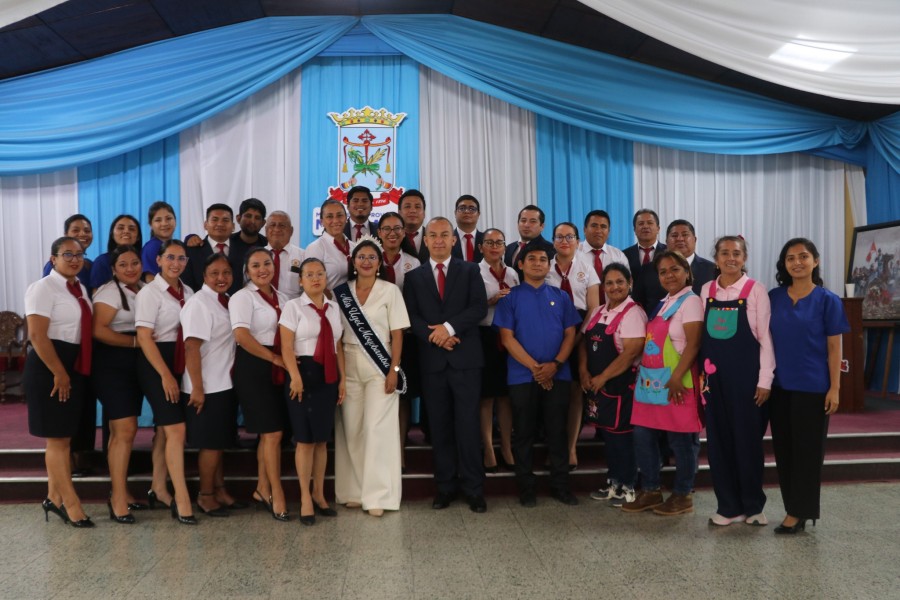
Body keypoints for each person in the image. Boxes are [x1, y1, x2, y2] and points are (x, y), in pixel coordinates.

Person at [404, 217, 488, 513]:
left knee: (467, 425)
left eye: (444, 235)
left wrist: (448, 329)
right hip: (433, 362)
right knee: (439, 428)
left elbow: (478, 307)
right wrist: (434, 336)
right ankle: (445, 487)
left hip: (466, 360)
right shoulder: (414, 277)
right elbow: (411, 317)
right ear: (424, 241)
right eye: (432, 235)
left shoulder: (470, 270)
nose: (438, 240)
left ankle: (474, 489)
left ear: (454, 240)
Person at [768, 238, 849, 534]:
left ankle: (799, 512)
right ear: (784, 265)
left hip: (813, 387)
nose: (797, 262)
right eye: (790, 258)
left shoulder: (828, 300)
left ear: (815, 261)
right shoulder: (773, 297)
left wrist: (835, 388)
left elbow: (834, 349)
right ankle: (794, 507)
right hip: (779, 387)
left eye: (803, 257)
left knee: (808, 452)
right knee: (784, 450)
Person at [493, 243, 582, 508]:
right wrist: (537, 369)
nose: (537, 263)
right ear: (520, 265)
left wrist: (554, 365)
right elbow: (507, 339)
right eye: (531, 259)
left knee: (557, 431)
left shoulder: (561, 295)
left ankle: (561, 486)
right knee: (523, 434)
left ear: (549, 265)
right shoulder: (509, 298)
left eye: (543, 259)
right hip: (523, 377)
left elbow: (571, 334)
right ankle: (526, 488)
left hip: (559, 374)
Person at [700, 236, 775, 527]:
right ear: (716, 258)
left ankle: (753, 506)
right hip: (714, 381)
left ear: (744, 258)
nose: (731, 258)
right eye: (724, 253)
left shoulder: (755, 290)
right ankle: (728, 507)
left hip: (747, 380)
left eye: (736, 253)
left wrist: (765, 380)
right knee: (718, 443)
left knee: (747, 443)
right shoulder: (706, 289)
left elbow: (765, 338)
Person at [622, 250, 703, 516]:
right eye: (663, 271)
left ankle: (682, 495)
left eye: (675, 269)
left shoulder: (690, 301)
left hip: (677, 382)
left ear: (687, 273)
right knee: (643, 436)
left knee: (681, 441)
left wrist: (677, 376)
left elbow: (694, 343)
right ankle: (651, 490)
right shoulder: (663, 303)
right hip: (651, 383)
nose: (669, 275)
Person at [334, 240, 410, 517]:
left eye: (372, 257)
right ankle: (353, 490)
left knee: (378, 430)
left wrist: (394, 370)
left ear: (380, 263)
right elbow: (337, 335)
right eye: (361, 256)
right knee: (352, 428)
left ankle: (379, 496)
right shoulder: (340, 293)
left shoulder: (390, 291)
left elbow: (398, 333)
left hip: (381, 366)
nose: (366, 261)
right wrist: (341, 376)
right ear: (353, 261)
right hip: (348, 363)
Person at [26, 237, 95, 527]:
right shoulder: (43, 288)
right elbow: (37, 336)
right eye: (68, 254)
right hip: (50, 366)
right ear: (53, 259)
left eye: (79, 254)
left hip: (73, 364)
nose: (75, 258)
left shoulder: (79, 288)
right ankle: (71, 503)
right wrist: (59, 372)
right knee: (57, 440)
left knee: (64, 437)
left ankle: (53, 498)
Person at [280, 258, 346, 525]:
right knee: (305, 440)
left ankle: (319, 494)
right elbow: (286, 347)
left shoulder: (333, 308)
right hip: (302, 375)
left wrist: (342, 380)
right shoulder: (293, 307)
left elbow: (337, 346)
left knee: (321, 439)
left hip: (328, 376)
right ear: (301, 280)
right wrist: (294, 376)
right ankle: (305, 497)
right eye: (310, 274)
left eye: (320, 273)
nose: (316, 278)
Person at [135, 239, 196, 524]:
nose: (176, 263)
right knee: (176, 429)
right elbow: (144, 337)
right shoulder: (150, 293)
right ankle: (181, 498)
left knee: (164, 430)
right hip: (156, 363)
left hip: (180, 359)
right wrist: (165, 375)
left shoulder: (190, 292)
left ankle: (158, 487)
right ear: (158, 260)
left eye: (181, 258)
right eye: (170, 257)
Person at [230, 248, 290, 521]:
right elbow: (242, 336)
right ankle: (275, 493)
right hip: (255, 366)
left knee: (272, 434)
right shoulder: (243, 297)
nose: (262, 269)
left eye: (267, 263)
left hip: (279, 365)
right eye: (255, 265)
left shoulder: (283, 298)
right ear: (247, 270)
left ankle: (262, 488)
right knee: (272, 433)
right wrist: (274, 358)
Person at [181, 253, 243, 517]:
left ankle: (219, 489)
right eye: (215, 273)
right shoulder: (199, 303)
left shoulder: (227, 301)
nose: (221, 278)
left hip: (224, 382)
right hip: (206, 385)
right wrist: (197, 387)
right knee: (210, 444)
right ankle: (205, 495)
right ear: (204, 276)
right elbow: (191, 347)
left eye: (226, 273)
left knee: (219, 443)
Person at [92, 245, 149, 523]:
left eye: (135, 263)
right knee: (124, 429)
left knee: (121, 431)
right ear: (114, 269)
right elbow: (98, 330)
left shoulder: (144, 289)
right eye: (123, 264)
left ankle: (121, 491)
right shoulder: (108, 292)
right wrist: (135, 343)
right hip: (112, 364)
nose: (130, 268)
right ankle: (117, 498)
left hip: (136, 362)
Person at [581, 264, 647, 505]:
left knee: (624, 438)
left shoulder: (634, 313)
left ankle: (628, 486)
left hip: (622, 386)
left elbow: (630, 354)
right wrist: (583, 371)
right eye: (609, 283)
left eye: (619, 281)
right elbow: (583, 342)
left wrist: (602, 377)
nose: (614, 287)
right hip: (599, 387)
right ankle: (613, 482)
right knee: (608, 436)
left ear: (629, 282)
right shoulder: (598, 311)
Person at [546, 222, 600, 470]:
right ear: (553, 241)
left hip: (581, 332)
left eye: (569, 236)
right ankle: (552, 447)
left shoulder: (587, 269)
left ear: (578, 241)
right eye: (559, 237)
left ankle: (570, 448)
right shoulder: (543, 266)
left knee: (575, 392)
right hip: (548, 334)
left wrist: (577, 336)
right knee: (552, 393)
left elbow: (594, 308)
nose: (564, 241)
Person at [376, 212, 421, 467]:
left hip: (406, 338)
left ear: (404, 233)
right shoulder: (369, 258)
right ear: (379, 232)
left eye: (397, 229)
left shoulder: (413, 263)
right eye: (386, 229)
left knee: (403, 394)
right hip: (374, 339)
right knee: (379, 394)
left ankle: (400, 450)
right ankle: (380, 450)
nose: (392, 233)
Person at [477, 228, 518, 472]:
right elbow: (468, 306)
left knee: (506, 396)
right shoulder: (474, 271)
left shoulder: (512, 273)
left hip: (509, 337)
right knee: (487, 396)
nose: (494, 246)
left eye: (499, 242)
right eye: (489, 242)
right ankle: (488, 448)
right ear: (481, 247)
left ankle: (506, 445)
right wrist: (490, 301)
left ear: (505, 247)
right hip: (485, 336)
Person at [182, 203, 237, 293]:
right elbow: (187, 286)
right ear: (205, 225)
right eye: (214, 220)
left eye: (225, 220)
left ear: (233, 226)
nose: (220, 224)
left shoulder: (243, 249)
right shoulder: (191, 251)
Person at [623, 208, 667, 314]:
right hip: (631, 310)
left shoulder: (669, 254)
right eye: (641, 223)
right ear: (634, 229)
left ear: (658, 228)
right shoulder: (623, 255)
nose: (645, 226)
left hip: (663, 309)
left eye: (650, 223)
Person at [305, 199, 353, 294]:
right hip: (329, 305)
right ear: (322, 221)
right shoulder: (315, 248)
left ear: (346, 218)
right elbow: (311, 283)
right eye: (329, 216)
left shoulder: (354, 247)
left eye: (339, 215)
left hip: (356, 305)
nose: (335, 220)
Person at [579, 209, 630, 294]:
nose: (598, 231)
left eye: (603, 227)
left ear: (609, 231)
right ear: (585, 229)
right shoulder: (574, 253)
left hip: (613, 306)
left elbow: (626, 285)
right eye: (594, 226)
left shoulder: (618, 256)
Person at [89, 214, 143, 291]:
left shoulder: (143, 259)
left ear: (138, 237)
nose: (126, 231)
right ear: (112, 234)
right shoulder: (102, 261)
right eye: (121, 228)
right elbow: (96, 295)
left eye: (131, 229)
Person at [42, 214, 94, 290]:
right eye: (76, 230)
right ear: (66, 235)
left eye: (87, 231)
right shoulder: (55, 264)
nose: (83, 234)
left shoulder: (90, 264)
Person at [504, 205, 554, 280]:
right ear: (518, 224)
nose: (526, 225)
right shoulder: (509, 248)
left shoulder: (550, 249)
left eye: (533, 221)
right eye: (523, 220)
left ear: (542, 226)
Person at [665, 219, 715, 294]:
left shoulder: (712, 270)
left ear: (695, 240)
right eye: (674, 235)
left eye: (685, 235)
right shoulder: (650, 270)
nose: (680, 239)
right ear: (666, 241)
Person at [265, 211, 305, 300]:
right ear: (266, 230)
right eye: (272, 225)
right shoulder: (255, 257)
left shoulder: (303, 256)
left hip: (293, 311)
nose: (277, 229)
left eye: (282, 225)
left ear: (291, 231)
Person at [229, 198, 268, 288]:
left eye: (257, 218)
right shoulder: (227, 243)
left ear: (263, 223)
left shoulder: (267, 246)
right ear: (238, 218)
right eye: (248, 216)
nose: (252, 221)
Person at [141, 201, 177, 277]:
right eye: (158, 220)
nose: (164, 223)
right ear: (151, 224)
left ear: (175, 221)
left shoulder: (175, 245)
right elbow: (150, 279)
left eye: (168, 218)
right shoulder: (152, 247)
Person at [451, 194, 484, 263]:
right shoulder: (447, 240)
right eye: (462, 208)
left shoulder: (486, 240)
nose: (467, 211)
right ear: (455, 213)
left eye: (472, 209)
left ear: (478, 214)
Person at [398, 189, 429, 262]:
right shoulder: (392, 238)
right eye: (407, 206)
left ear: (424, 213)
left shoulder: (433, 237)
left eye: (417, 207)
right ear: (399, 213)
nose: (413, 210)